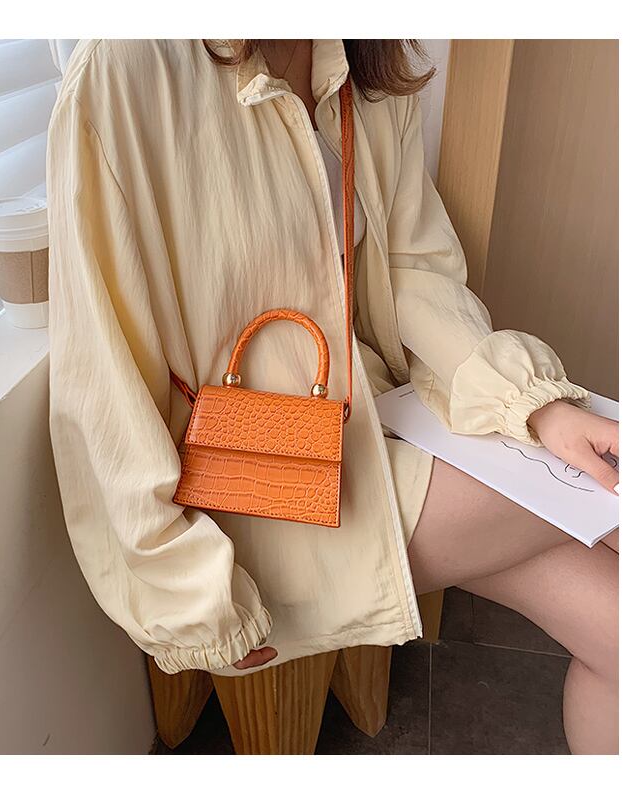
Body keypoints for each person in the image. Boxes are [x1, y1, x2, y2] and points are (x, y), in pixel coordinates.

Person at [46, 39, 619, 754]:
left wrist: (533, 404)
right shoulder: (126, 68)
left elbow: (412, 270)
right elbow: (100, 376)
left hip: (369, 419)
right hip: (240, 493)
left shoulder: (364, 60)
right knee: (616, 496)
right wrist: (188, 594)